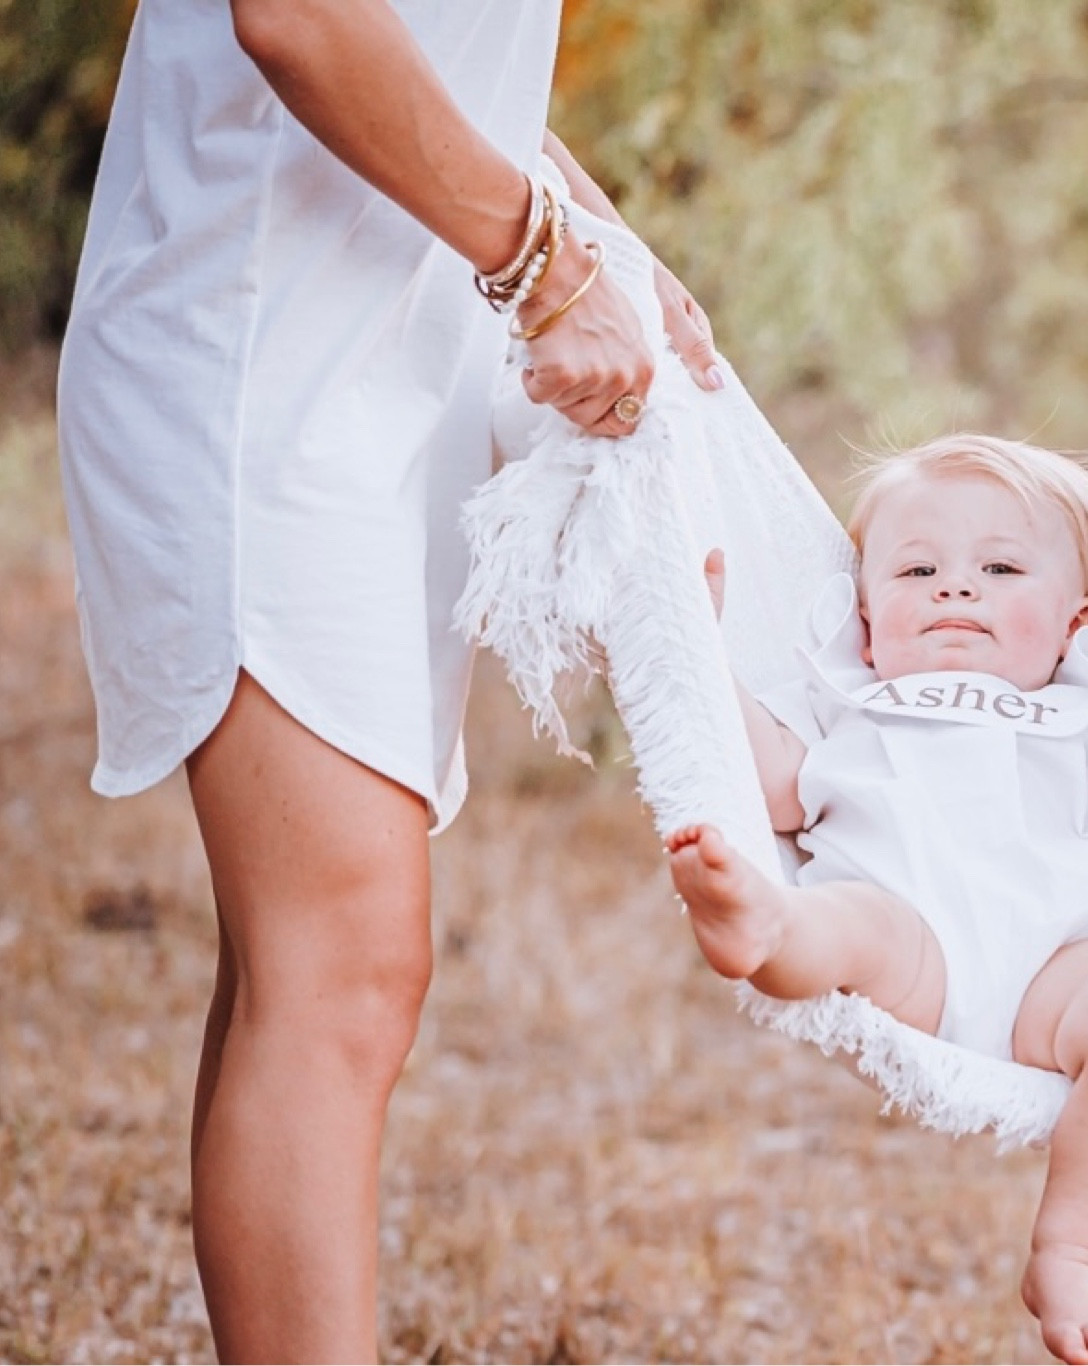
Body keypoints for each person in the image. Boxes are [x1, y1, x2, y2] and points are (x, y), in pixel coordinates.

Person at [55, 1, 721, 1358]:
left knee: (300, 969)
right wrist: (541, 263)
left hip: (369, 365)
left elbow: (442, 57)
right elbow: (299, 15)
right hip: (253, 371)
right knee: (343, 971)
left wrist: (594, 242)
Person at [664, 434, 1088, 1366]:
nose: (955, 588)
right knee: (843, 925)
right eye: (917, 569)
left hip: (1057, 971)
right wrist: (700, 655)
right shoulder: (850, 696)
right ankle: (761, 925)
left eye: (998, 566)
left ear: (1076, 625)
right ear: (867, 621)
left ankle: (1070, 1249)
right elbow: (780, 788)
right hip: (909, 938)